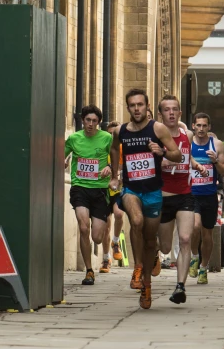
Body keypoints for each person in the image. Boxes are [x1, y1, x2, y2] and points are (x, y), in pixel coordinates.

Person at [110, 89, 181, 309]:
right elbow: (113, 150)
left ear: (147, 106)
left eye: (140, 104)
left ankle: (146, 286)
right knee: (136, 221)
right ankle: (138, 267)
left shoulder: (157, 129)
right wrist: (114, 176)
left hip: (153, 192)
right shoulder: (120, 131)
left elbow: (177, 155)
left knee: (151, 241)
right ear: (127, 107)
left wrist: (161, 152)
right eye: (132, 105)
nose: (137, 109)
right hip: (132, 190)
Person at [158, 96, 208, 304]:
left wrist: (196, 165)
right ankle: (155, 255)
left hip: (185, 195)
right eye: (167, 110)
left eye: (175, 109)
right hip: (163, 197)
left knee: (186, 239)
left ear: (180, 113)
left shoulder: (186, 134)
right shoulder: (156, 137)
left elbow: (187, 156)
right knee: (165, 248)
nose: (171, 113)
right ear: (161, 114)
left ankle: (180, 286)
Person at [65, 105, 113, 286]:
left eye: (94, 121)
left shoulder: (107, 138)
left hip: (100, 190)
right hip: (80, 187)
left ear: (99, 123)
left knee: (97, 237)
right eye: (88, 120)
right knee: (83, 227)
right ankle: (89, 271)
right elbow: (60, 155)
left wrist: (110, 167)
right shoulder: (74, 138)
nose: (91, 124)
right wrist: (61, 162)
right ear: (82, 121)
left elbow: (116, 158)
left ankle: (96, 259)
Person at [189, 112, 224, 284]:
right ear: (193, 126)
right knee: (195, 227)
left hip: (210, 195)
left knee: (207, 234)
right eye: (198, 125)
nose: (201, 129)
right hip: (192, 194)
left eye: (204, 126)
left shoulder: (217, 144)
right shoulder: (189, 144)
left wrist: (214, 162)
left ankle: (203, 268)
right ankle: (194, 257)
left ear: (209, 127)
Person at [100, 120, 124, 273]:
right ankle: (106, 258)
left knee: (119, 213)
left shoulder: (122, 149)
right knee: (105, 225)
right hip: (103, 189)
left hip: (117, 188)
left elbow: (124, 166)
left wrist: (119, 174)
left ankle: (116, 241)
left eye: (114, 134)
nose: (111, 137)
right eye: (109, 134)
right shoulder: (102, 148)